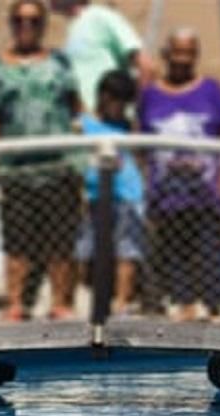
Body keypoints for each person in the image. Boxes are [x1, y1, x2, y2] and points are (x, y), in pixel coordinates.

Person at [0, 0, 82, 321]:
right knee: (16, 240)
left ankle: (61, 302)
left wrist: (81, 151)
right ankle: (16, 303)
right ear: (11, 24)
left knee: (60, 239)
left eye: (34, 21)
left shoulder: (60, 63)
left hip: (58, 165)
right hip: (16, 168)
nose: (27, 27)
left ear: (43, 25)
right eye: (20, 21)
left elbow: (75, 107)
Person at [138, 28, 220, 321]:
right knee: (173, 249)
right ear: (167, 53)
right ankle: (184, 304)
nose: (182, 58)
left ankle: (214, 306)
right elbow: (142, 138)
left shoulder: (211, 90)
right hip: (167, 190)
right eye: (177, 51)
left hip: (206, 188)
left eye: (188, 52)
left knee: (210, 247)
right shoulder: (150, 95)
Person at [76, 70, 146, 314]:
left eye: (124, 102)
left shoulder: (128, 127)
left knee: (126, 249)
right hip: (95, 195)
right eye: (115, 99)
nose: (119, 106)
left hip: (127, 195)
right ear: (103, 96)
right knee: (88, 251)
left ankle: (121, 302)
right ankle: (94, 297)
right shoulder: (85, 124)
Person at [49, 0, 155, 113]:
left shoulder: (100, 16)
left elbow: (145, 65)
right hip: (85, 121)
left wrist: (136, 114)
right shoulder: (73, 28)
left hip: (109, 124)